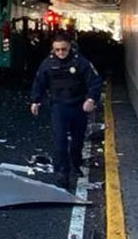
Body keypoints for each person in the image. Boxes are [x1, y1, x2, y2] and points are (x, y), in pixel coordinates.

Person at [29, 33, 102, 188]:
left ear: (70, 47)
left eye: (64, 49)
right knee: (60, 142)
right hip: (59, 106)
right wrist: (36, 101)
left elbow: (95, 82)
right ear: (53, 49)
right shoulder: (48, 63)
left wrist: (91, 99)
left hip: (78, 106)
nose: (61, 53)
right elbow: (39, 82)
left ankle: (75, 164)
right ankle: (62, 173)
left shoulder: (80, 62)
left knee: (77, 141)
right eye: (57, 50)